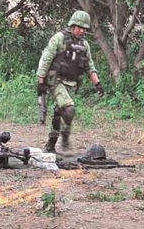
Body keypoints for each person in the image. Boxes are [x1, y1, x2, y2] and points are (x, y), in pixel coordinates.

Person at [36, 10, 104, 153]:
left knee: (59, 113)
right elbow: (46, 57)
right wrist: (41, 78)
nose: (82, 31)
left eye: (84, 28)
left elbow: (89, 66)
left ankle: (50, 144)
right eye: (79, 27)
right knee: (69, 108)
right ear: (72, 26)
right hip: (55, 81)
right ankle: (65, 135)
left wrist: (97, 84)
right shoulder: (59, 38)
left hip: (71, 84)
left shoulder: (84, 45)